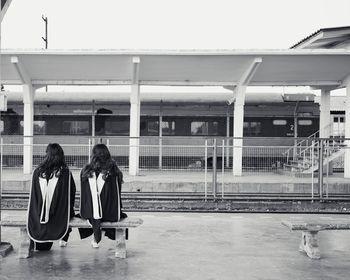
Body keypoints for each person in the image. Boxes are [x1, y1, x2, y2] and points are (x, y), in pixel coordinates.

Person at [27, 143, 76, 251]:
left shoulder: (37, 172)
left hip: (38, 214)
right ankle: (64, 238)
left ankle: (42, 241)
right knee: (69, 212)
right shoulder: (65, 172)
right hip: (60, 215)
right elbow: (71, 194)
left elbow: (34, 196)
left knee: (43, 246)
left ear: (47, 154)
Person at [79, 143, 127, 248]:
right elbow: (117, 193)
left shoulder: (86, 171)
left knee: (88, 213)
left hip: (90, 212)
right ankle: (102, 231)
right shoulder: (114, 171)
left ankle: (96, 232)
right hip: (110, 212)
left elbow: (84, 195)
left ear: (93, 155)